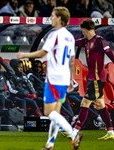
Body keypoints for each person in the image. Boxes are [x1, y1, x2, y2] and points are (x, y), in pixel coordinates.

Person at [17, 6, 82, 150]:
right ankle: (50, 144)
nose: (51, 17)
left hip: (54, 78)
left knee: (49, 113)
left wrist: (24, 55)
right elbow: (72, 61)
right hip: (64, 78)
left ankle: (73, 133)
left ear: (59, 18)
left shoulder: (54, 35)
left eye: (52, 15)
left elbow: (41, 54)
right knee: (56, 113)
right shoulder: (70, 36)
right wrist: (71, 79)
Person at [72, 19, 114, 140]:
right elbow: (73, 42)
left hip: (97, 79)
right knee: (100, 105)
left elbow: (110, 54)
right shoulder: (85, 41)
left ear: (85, 30)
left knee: (84, 103)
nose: (82, 33)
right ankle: (111, 132)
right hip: (92, 79)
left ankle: (74, 132)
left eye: (83, 31)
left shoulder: (100, 41)